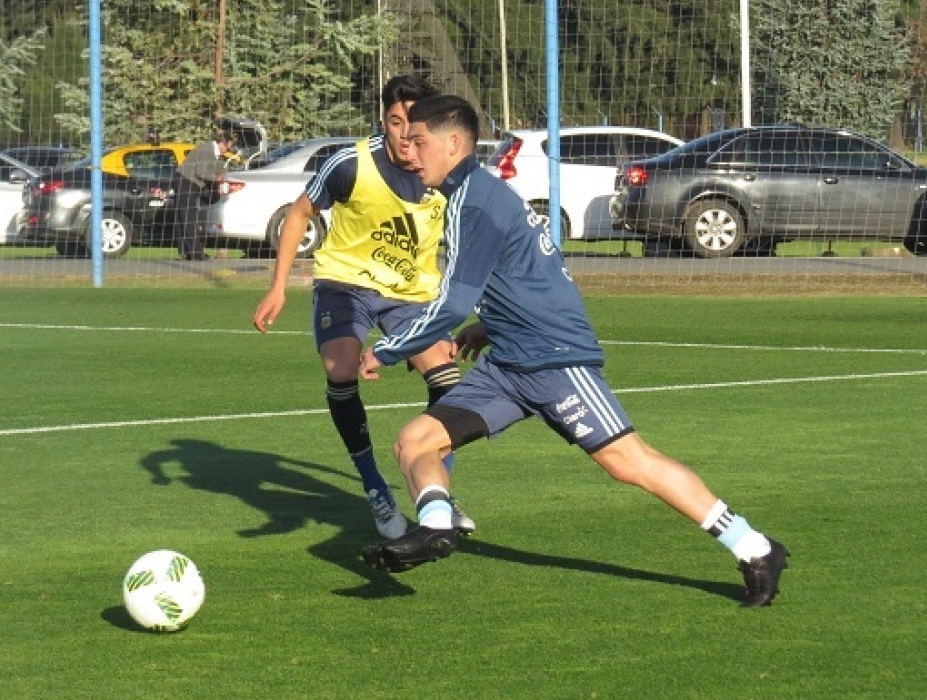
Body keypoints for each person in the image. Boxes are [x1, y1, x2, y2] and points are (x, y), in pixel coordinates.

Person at [358, 95, 789, 607]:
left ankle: (756, 548)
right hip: (508, 365)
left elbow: (451, 302)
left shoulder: (473, 201)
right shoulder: (475, 194)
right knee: (415, 441)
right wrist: (490, 325)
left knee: (628, 462)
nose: (408, 151)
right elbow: (527, 272)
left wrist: (388, 349)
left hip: (555, 359)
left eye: (419, 141)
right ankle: (434, 529)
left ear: (453, 143)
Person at [252, 75, 474, 541]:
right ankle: (375, 487)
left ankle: (437, 490)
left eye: (413, 124)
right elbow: (299, 213)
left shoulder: (447, 171)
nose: (404, 135)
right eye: (395, 122)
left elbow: (474, 242)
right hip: (345, 283)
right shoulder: (351, 163)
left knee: (449, 383)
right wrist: (278, 288)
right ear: (383, 120)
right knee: (341, 368)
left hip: (412, 293)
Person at [175, 132, 235, 260]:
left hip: (191, 183)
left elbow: (217, 168)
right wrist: (217, 178)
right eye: (227, 148)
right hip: (186, 182)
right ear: (221, 143)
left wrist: (224, 174)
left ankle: (187, 251)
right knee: (188, 217)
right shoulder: (206, 150)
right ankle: (195, 252)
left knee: (184, 217)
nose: (227, 151)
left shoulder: (214, 153)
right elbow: (201, 172)